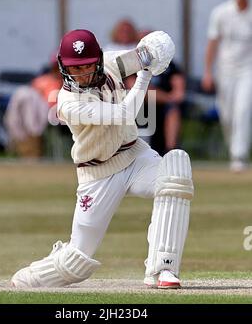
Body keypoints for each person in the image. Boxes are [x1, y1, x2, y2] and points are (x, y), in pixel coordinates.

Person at [11, 29, 194, 289]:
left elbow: (147, 53)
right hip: (97, 173)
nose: (82, 74)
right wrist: (145, 74)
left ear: (98, 60)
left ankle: (163, 268)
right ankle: (27, 278)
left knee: (176, 173)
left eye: (87, 66)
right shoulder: (68, 102)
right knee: (76, 263)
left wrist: (156, 48)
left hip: (135, 155)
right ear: (63, 68)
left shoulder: (110, 63)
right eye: (75, 69)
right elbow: (124, 113)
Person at [202, 0, 252, 172]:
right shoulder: (221, 13)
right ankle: (234, 149)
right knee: (228, 115)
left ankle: (238, 156)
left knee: (243, 110)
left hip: (248, 70)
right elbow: (212, 44)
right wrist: (207, 72)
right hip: (226, 71)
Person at [4, 55, 62, 158]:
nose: (57, 69)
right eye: (55, 66)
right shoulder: (41, 79)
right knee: (23, 94)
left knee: (28, 98)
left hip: (50, 108)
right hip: (33, 106)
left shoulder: (65, 82)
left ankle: (29, 141)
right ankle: (24, 140)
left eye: (60, 67)